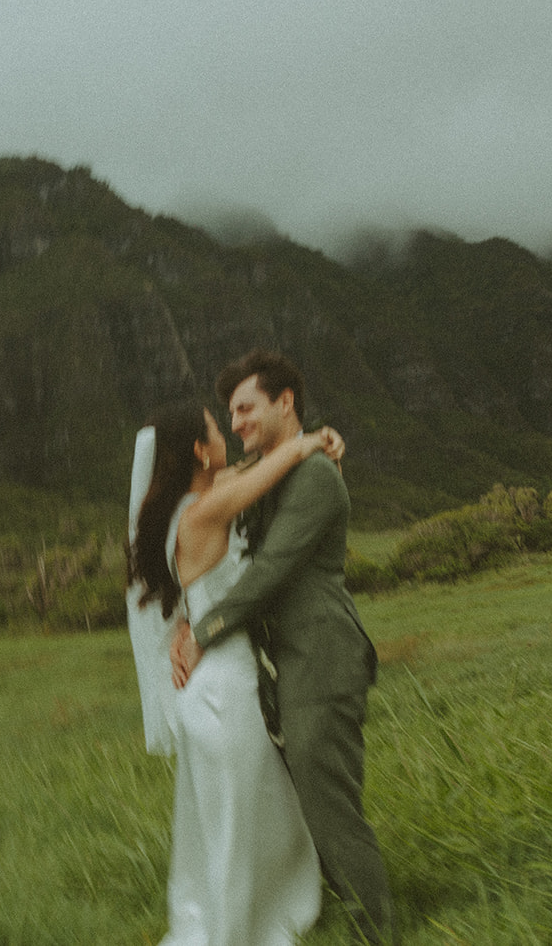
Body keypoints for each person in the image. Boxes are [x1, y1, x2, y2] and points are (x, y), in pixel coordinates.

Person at [172, 349, 396, 944]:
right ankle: (326, 912)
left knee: (329, 806)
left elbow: (272, 570)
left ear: (285, 401)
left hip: (322, 657)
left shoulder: (317, 475)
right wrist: (181, 615)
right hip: (281, 664)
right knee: (303, 802)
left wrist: (205, 632)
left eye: (247, 407)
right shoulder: (268, 468)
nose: (238, 421)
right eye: (231, 413)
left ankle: (378, 932)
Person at [126, 401, 345, 945]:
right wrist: (312, 441)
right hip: (222, 689)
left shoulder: (189, 504)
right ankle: (232, 933)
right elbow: (271, 466)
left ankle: (253, 913)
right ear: (201, 450)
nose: (226, 433)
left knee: (241, 814)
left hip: (211, 683)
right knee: (233, 825)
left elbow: (246, 471)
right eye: (214, 429)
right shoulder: (207, 509)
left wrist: (186, 627)